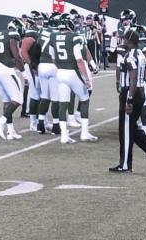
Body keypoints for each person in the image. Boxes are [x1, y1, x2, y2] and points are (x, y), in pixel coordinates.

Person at [109, 28, 146, 173]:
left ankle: (126, 165)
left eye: (124, 38)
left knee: (126, 131)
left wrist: (129, 100)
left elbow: (133, 78)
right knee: (131, 128)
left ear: (128, 40)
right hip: (139, 92)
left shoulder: (130, 56)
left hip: (131, 91)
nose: (123, 40)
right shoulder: (139, 53)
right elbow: (144, 70)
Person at [53, 13, 96, 143]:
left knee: (63, 103)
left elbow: (54, 58)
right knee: (85, 98)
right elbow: (79, 60)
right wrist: (87, 79)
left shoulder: (53, 37)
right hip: (72, 72)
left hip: (60, 73)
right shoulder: (74, 37)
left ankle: (64, 136)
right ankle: (84, 132)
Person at [0, 18, 25, 141]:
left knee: (7, 101)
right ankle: (0, 122)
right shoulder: (14, 35)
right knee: (18, 99)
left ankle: (10, 131)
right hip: (5, 71)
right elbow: (16, 56)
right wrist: (23, 72)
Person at [36, 13, 61, 135]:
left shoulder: (42, 32)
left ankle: (40, 124)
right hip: (53, 65)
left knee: (45, 96)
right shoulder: (58, 34)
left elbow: (35, 48)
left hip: (41, 65)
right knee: (55, 97)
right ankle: (56, 125)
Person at [20, 12, 43, 132]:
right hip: (33, 67)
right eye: (39, 19)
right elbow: (23, 51)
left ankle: (40, 120)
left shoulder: (39, 32)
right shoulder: (31, 33)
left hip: (38, 66)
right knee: (35, 95)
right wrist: (31, 65)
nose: (42, 21)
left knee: (40, 94)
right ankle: (34, 122)